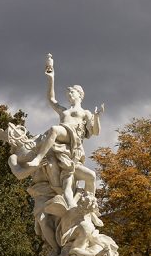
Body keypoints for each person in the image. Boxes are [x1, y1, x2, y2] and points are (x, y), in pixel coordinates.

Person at [25, 55, 102, 207]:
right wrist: (51, 78)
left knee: (54, 129)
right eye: (67, 94)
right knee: (55, 130)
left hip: (72, 138)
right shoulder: (64, 111)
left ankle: (89, 205)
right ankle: (39, 159)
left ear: (80, 95)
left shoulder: (85, 112)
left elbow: (95, 132)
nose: (69, 96)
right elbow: (51, 99)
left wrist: (97, 116)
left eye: (71, 93)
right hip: (63, 140)